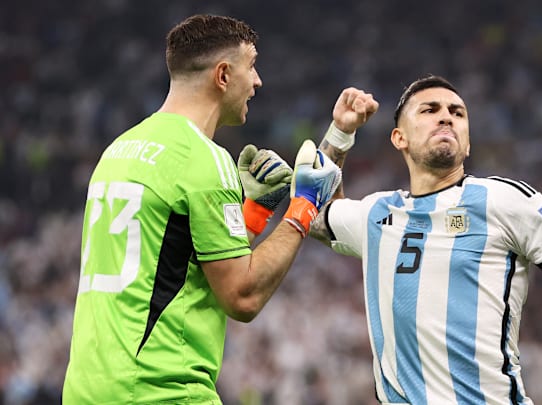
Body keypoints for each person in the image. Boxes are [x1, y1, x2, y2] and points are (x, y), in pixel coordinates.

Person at [310, 75, 542, 405]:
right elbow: (313, 214)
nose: (446, 118)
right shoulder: (377, 213)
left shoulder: (505, 200)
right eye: (429, 110)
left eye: (457, 113)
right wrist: (341, 131)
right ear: (399, 137)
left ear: (468, 141)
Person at [63, 14, 345, 403]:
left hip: (88, 387)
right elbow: (241, 297)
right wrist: (304, 206)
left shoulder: (119, 149)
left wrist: (257, 211)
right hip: (160, 390)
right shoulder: (203, 159)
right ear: (223, 75)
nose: (258, 81)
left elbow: (183, 263)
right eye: (252, 66)